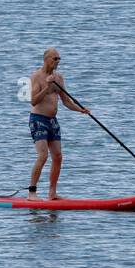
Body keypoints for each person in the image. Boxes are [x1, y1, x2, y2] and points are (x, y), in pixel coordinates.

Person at [28, 48, 89, 200]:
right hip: (38, 119)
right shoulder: (36, 76)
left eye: (59, 59)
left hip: (52, 121)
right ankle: (32, 192)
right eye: (55, 59)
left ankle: (52, 193)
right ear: (46, 59)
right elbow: (34, 100)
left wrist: (81, 110)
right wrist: (47, 87)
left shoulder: (59, 78)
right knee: (43, 155)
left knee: (58, 156)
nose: (58, 62)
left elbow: (66, 101)